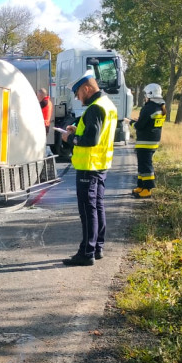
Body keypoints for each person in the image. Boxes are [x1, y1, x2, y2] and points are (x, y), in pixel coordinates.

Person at [61, 71, 118, 267]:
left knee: (88, 211)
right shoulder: (107, 105)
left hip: (89, 166)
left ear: (87, 88)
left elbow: (91, 141)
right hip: (100, 164)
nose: (77, 97)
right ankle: (97, 247)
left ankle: (86, 253)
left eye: (78, 93)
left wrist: (70, 139)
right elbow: (98, 135)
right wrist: (78, 130)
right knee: (98, 207)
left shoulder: (95, 108)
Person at [133, 83, 165, 198]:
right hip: (154, 141)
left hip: (144, 141)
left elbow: (140, 126)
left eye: (145, 95)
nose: (144, 97)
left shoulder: (148, 107)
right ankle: (141, 186)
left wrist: (132, 123)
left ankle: (147, 189)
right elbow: (150, 123)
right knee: (142, 165)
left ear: (150, 94)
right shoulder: (160, 107)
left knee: (146, 166)